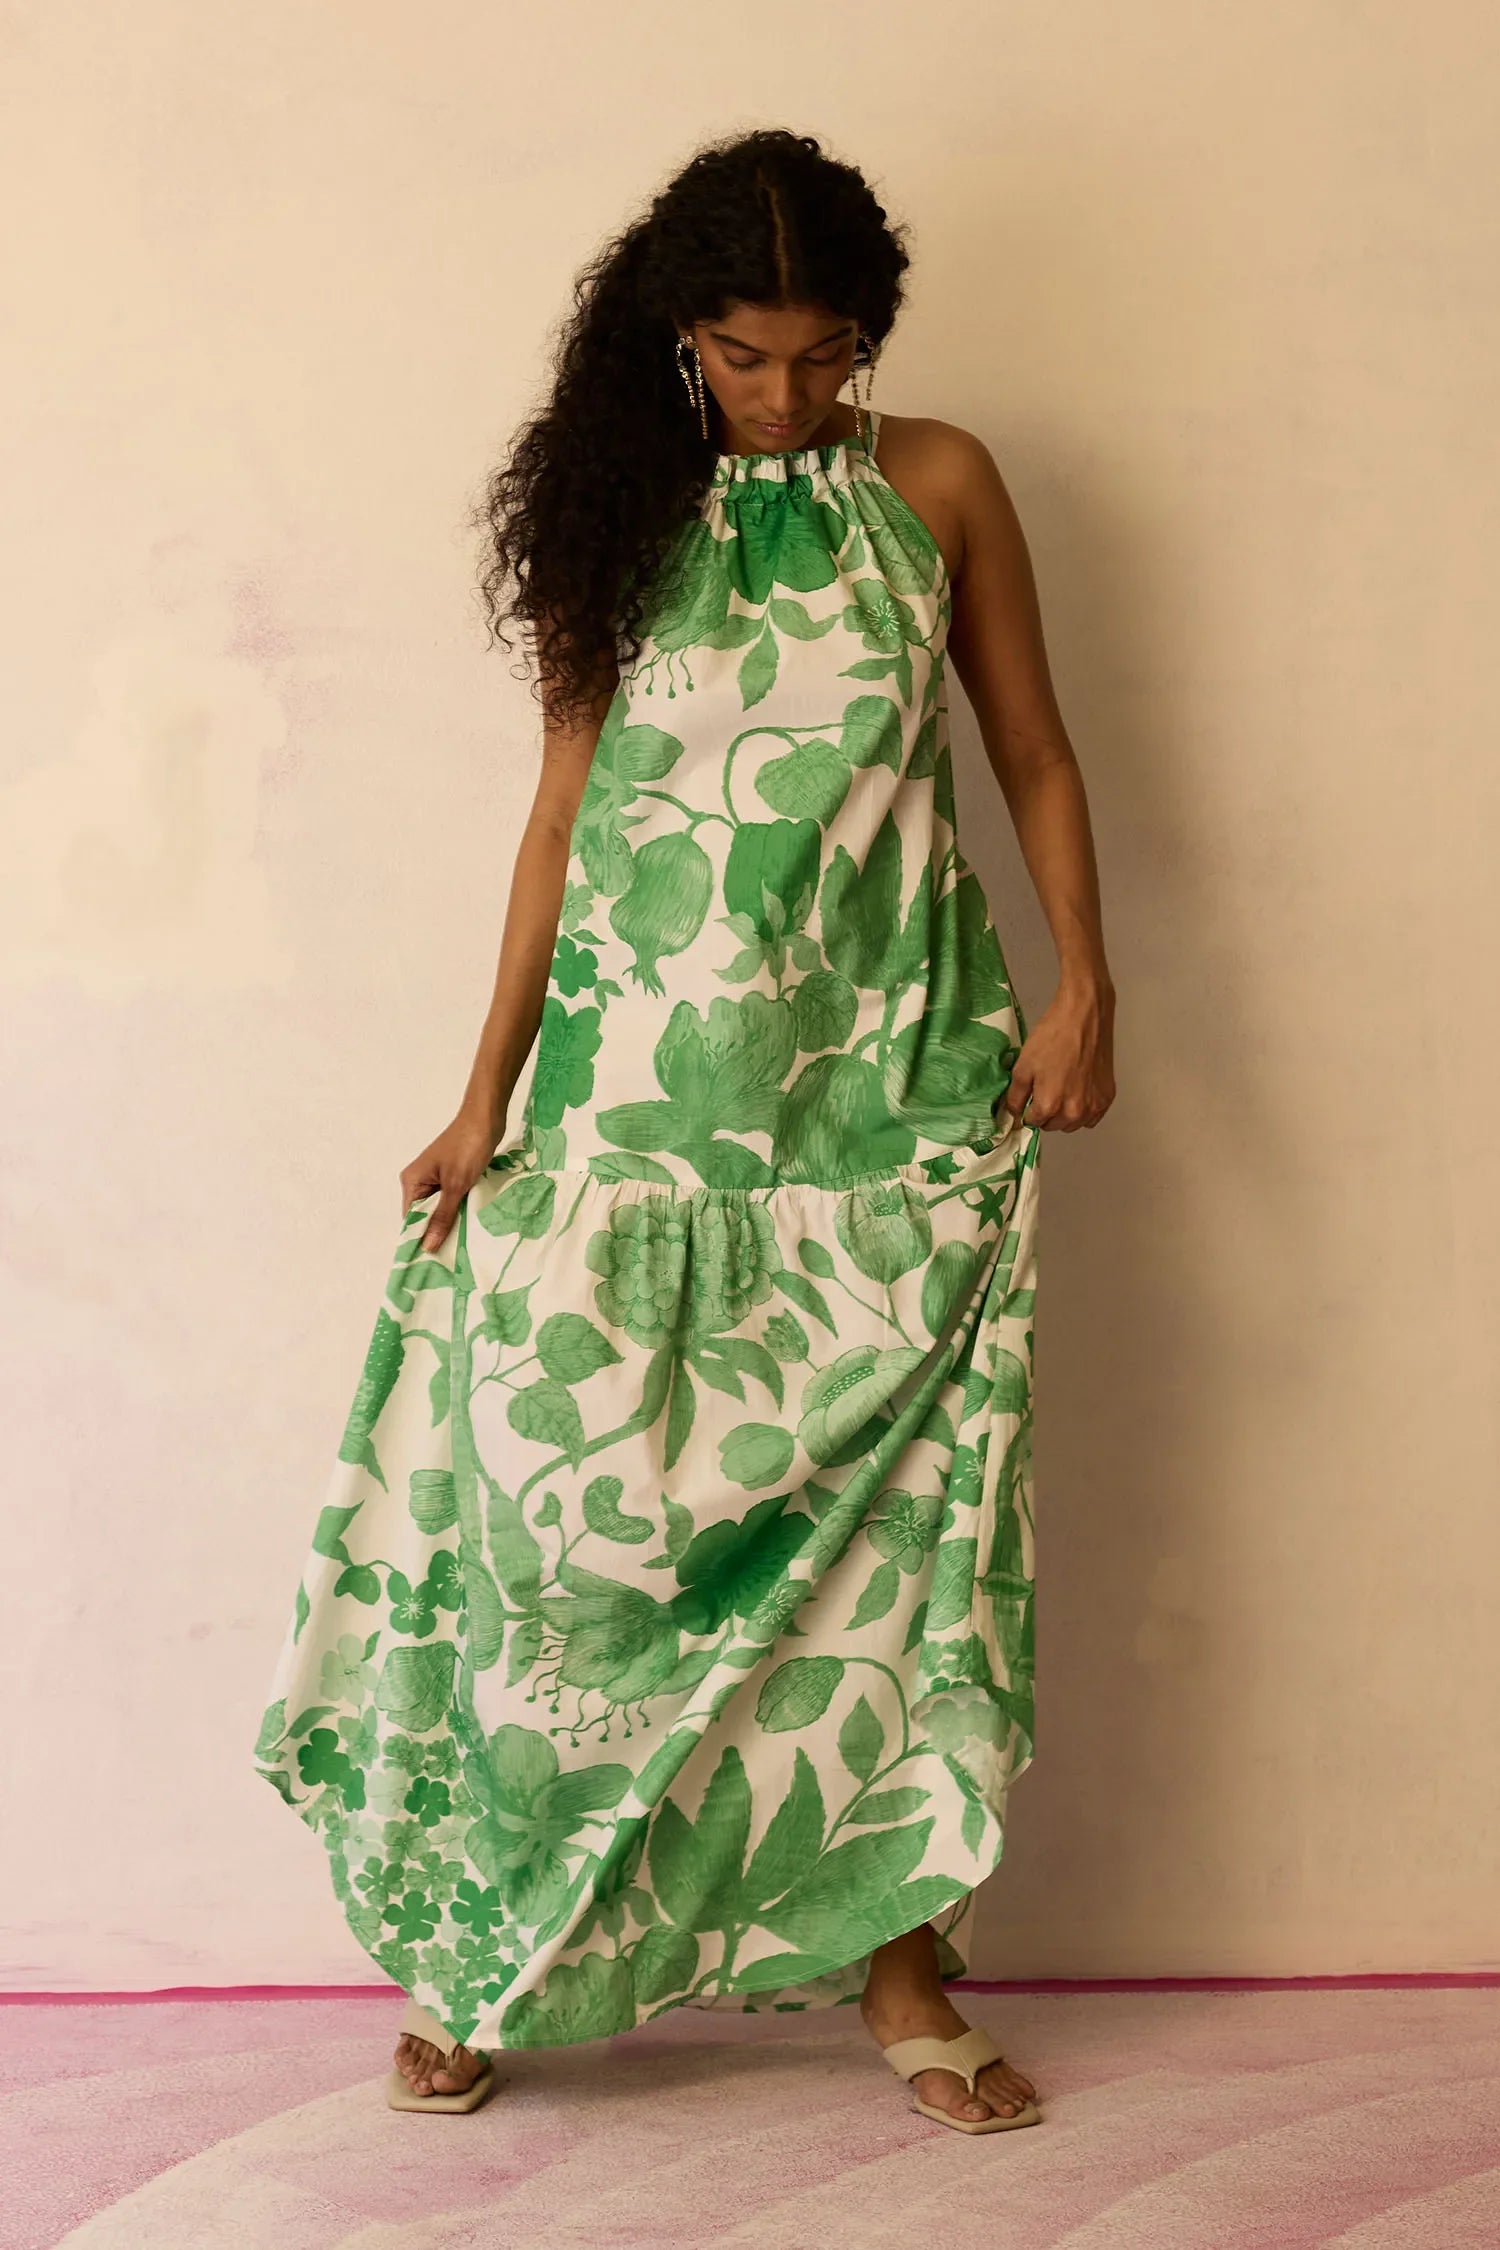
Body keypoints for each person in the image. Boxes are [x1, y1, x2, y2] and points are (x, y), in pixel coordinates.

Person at [255, 126, 1115, 2135]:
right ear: (682, 335)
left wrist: (1089, 981)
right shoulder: (622, 507)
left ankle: (899, 1966)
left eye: (822, 357)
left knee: (897, 1544)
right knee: (567, 1538)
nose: (784, 395)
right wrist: (486, 1091)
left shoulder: (938, 484)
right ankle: (497, 1938)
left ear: (869, 340)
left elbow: (1032, 747)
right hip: (635, 1104)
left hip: (895, 1091)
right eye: (743, 356)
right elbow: (563, 816)